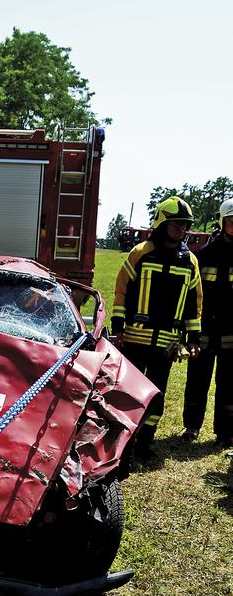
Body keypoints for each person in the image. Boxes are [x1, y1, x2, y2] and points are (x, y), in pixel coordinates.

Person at [111, 196, 202, 458]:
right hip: (135, 340)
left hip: (167, 344)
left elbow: (194, 304)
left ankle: (144, 443)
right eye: (177, 224)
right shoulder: (140, 253)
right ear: (162, 223)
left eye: (185, 225)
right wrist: (119, 328)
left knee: (156, 394)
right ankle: (122, 443)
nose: (182, 230)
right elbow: (121, 292)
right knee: (129, 392)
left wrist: (194, 337)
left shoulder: (190, 261)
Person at [182, 198, 233, 445]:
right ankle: (192, 427)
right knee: (197, 380)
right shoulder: (203, 255)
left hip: (231, 331)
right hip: (204, 330)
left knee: (229, 383)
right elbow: (191, 294)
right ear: (222, 222)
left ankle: (225, 432)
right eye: (232, 222)